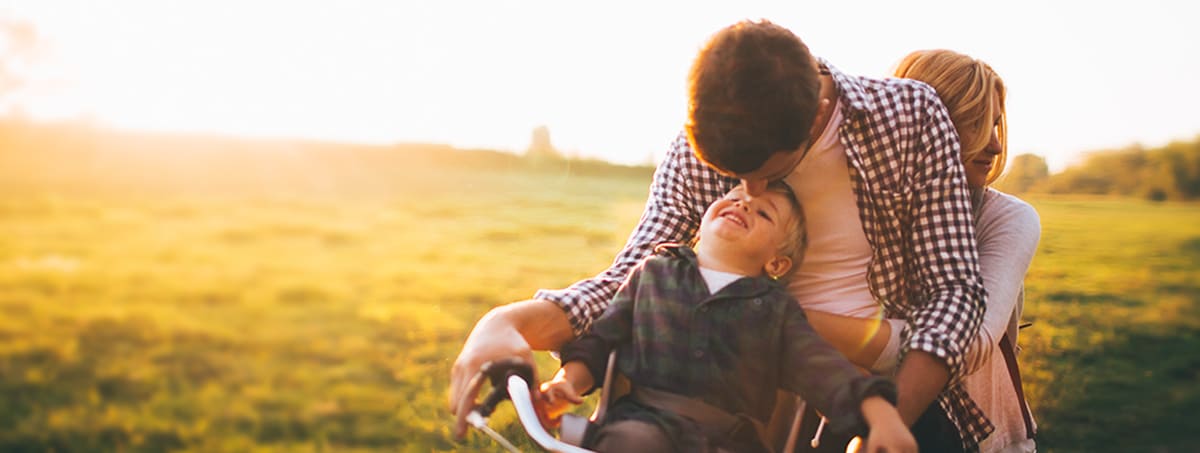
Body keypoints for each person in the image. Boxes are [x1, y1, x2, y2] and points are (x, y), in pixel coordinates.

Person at [450, 20, 989, 452]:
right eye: (731, 175)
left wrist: (886, 420)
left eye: (766, 174)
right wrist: (506, 322)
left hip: (877, 389)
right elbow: (631, 279)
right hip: (725, 397)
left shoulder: (910, 117)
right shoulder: (695, 149)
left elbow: (953, 289)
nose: (747, 191)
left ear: (818, 116)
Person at [538, 183, 916, 453]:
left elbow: (824, 370)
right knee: (636, 443)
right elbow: (601, 341)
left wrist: (881, 414)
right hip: (642, 424)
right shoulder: (654, 274)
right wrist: (566, 382)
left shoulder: (776, 311)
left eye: (763, 212)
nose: (744, 205)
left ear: (777, 263)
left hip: (728, 441)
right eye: (735, 197)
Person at [800, 49, 1041, 452]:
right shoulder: (852, 203)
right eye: (976, 123)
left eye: (996, 123)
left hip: (971, 435)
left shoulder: (1007, 217)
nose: (996, 145)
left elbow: (966, 343)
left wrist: (792, 320)